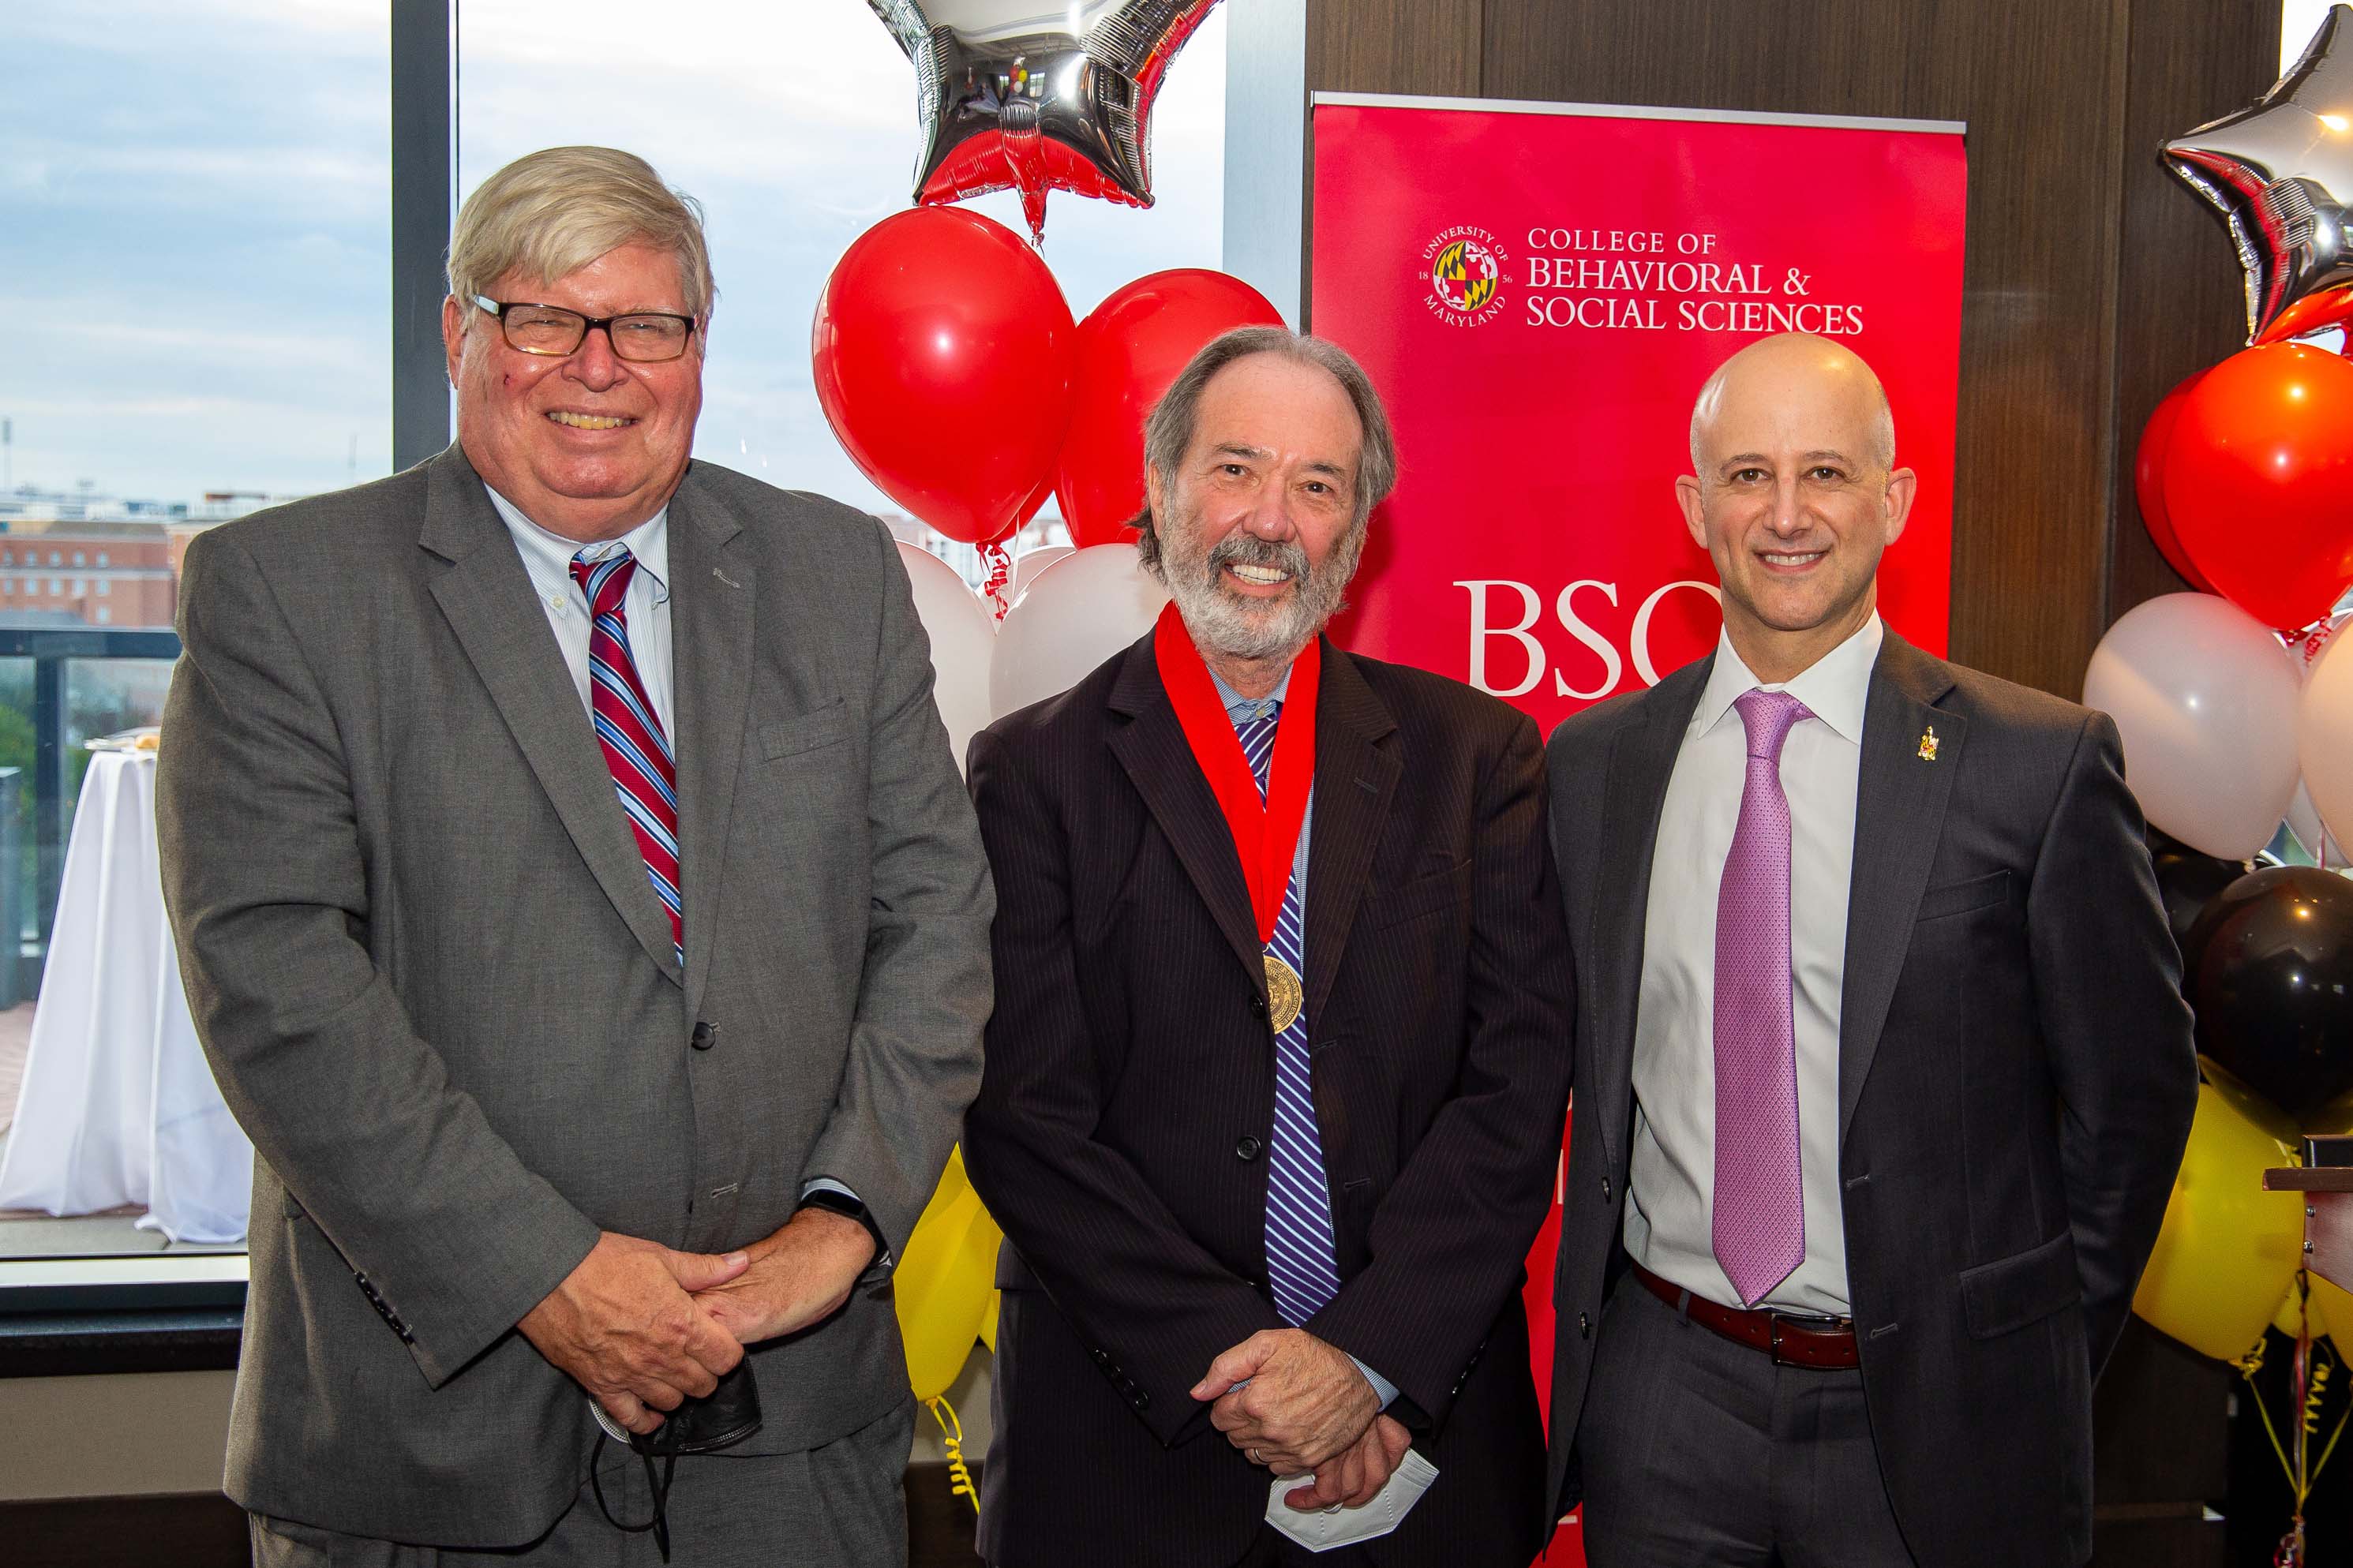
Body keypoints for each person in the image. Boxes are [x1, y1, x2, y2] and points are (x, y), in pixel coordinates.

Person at [156, 145, 993, 1566]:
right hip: (436, 1445)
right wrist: (548, 1276)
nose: (595, 367)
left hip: (788, 1438)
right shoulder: (284, 593)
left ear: (696, 351)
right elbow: (277, 989)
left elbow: (936, 926)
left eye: (646, 326)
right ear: (460, 337)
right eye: (544, 317)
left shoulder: (838, 576)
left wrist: (839, 1226)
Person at [1542, 332, 2198, 1568]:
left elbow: (2133, 1104)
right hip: (1665, 1397)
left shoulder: (2036, 765)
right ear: (1694, 507)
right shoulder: (1594, 768)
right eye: (1746, 476)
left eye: (1826, 473)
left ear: (1891, 501)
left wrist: (2024, 1346)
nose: (1785, 515)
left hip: (1938, 1421)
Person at [962, 326, 1577, 1568]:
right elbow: (1024, 1116)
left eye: (1317, 485)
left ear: (1356, 527)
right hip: (1133, 1441)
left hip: (1416, 1432)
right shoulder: (1032, 772)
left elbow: (1514, 1090)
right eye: (1236, 469)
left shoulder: (1477, 761)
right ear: (1160, 485)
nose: (1270, 521)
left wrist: (1362, 1359)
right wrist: (1244, 1373)